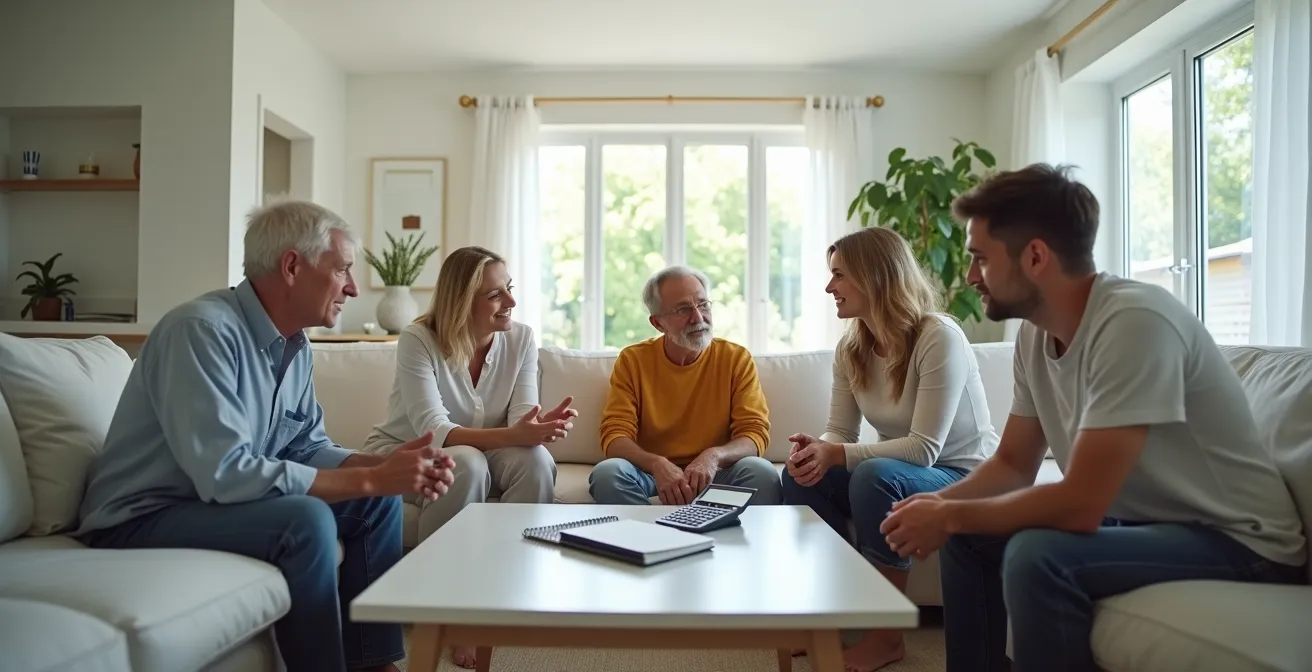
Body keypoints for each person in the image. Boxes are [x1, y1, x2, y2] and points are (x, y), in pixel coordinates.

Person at [879, 164, 1308, 672]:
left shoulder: (1134, 322)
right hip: (1147, 523)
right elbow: (1014, 463)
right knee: (972, 537)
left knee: (1038, 557)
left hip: (1242, 540)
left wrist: (948, 515)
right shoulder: (1035, 336)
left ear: (1035, 256)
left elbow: (1080, 504)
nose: (971, 276)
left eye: (980, 259)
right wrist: (935, 503)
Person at [73, 200, 456, 672]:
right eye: (342, 271)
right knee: (307, 521)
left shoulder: (295, 345)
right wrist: (372, 479)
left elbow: (306, 447)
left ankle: (373, 664)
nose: (353, 288)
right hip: (142, 516)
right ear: (293, 266)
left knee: (379, 503)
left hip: (213, 504)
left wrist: (384, 468)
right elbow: (225, 473)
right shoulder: (200, 332)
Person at [782, 227, 998, 671]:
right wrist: (816, 451)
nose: (829, 287)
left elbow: (925, 450)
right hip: (906, 472)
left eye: (838, 275)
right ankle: (833, 620)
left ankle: (886, 636)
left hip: (963, 474)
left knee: (874, 475)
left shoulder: (938, 336)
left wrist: (837, 454)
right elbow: (840, 430)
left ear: (875, 276)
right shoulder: (853, 346)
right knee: (800, 475)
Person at [361, 245, 571, 669]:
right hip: (411, 455)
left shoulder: (522, 338)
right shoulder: (418, 339)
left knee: (537, 462)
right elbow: (434, 430)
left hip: (482, 451)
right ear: (462, 301)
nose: (510, 302)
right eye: (496, 295)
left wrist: (537, 428)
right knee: (464, 462)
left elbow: (520, 418)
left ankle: (504, 600)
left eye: (509, 290)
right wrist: (517, 432)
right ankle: (443, 611)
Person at [589, 265, 781, 506]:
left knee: (762, 472)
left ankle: (731, 541)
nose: (698, 317)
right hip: (651, 475)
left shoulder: (736, 358)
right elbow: (614, 435)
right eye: (682, 309)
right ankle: (646, 541)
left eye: (703, 304)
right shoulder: (633, 360)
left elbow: (754, 433)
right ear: (657, 323)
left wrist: (713, 456)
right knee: (608, 474)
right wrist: (658, 464)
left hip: (717, 473)